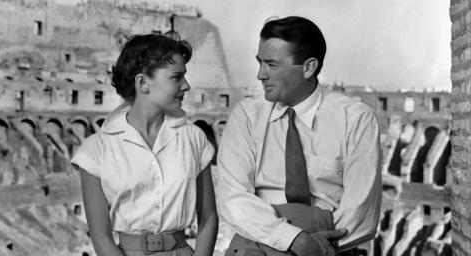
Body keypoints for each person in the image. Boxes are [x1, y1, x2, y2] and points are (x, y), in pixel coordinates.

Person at [217, 16, 381, 256]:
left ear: (308, 67)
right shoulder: (246, 117)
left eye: (272, 65)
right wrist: (294, 240)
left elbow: (361, 214)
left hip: (329, 248)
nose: (260, 75)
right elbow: (233, 198)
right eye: (259, 63)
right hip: (259, 247)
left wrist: (313, 246)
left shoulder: (355, 119)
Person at [71, 34, 218, 256]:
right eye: (177, 77)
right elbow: (101, 237)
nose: (186, 86)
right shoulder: (95, 150)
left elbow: (208, 217)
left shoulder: (193, 138)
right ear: (143, 83)